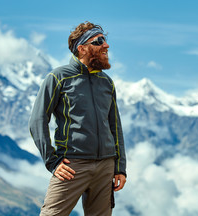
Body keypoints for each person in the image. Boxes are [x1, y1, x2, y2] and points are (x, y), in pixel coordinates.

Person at [29, 22, 127, 216]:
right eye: (98, 41)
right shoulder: (58, 78)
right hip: (72, 166)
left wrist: (120, 168)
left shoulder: (106, 83)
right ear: (81, 49)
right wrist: (52, 161)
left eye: (105, 40)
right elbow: (37, 120)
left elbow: (115, 127)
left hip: (106, 167)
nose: (106, 46)